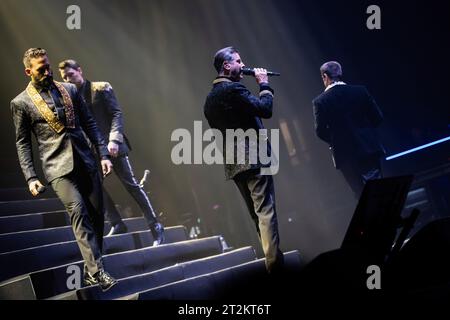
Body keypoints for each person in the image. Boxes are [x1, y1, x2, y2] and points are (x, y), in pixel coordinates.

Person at [11, 48, 117, 291]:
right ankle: (97, 271)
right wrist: (30, 177)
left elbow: (89, 122)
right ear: (29, 71)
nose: (47, 71)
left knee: (97, 215)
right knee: (78, 211)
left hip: (86, 160)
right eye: (41, 69)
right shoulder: (21, 103)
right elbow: (22, 142)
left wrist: (102, 154)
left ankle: (91, 270)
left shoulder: (69, 89)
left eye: (47, 66)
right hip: (57, 168)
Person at [58, 59, 164, 245]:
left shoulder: (101, 87)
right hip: (92, 151)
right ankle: (116, 223)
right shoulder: (71, 99)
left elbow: (116, 113)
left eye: (71, 75)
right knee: (94, 188)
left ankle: (155, 226)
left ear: (80, 71)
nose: (68, 79)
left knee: (131, 185)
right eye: (65, 77)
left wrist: (115, 139)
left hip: (113, 146)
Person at [203, 46, 284, 273]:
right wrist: (264, 84)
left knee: (257, 216)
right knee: (266, 212)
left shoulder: (209, 100)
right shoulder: (234, 89)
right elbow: (265, 109)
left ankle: (273, 260)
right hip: (254, 158)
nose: (243, 64)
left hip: (235, 163)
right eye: (239, 61)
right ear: (226, 66)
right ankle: (275, 267)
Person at [312, 61, 385, 199]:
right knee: (379, 191)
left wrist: (335, 141)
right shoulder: (360, 91)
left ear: (325, 76)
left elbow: (320, 131)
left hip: (344, 155)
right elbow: (378, 118)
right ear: (340, 73)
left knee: (360, 195)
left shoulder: (320, 101)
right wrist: (366, 132)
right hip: (368, 149)